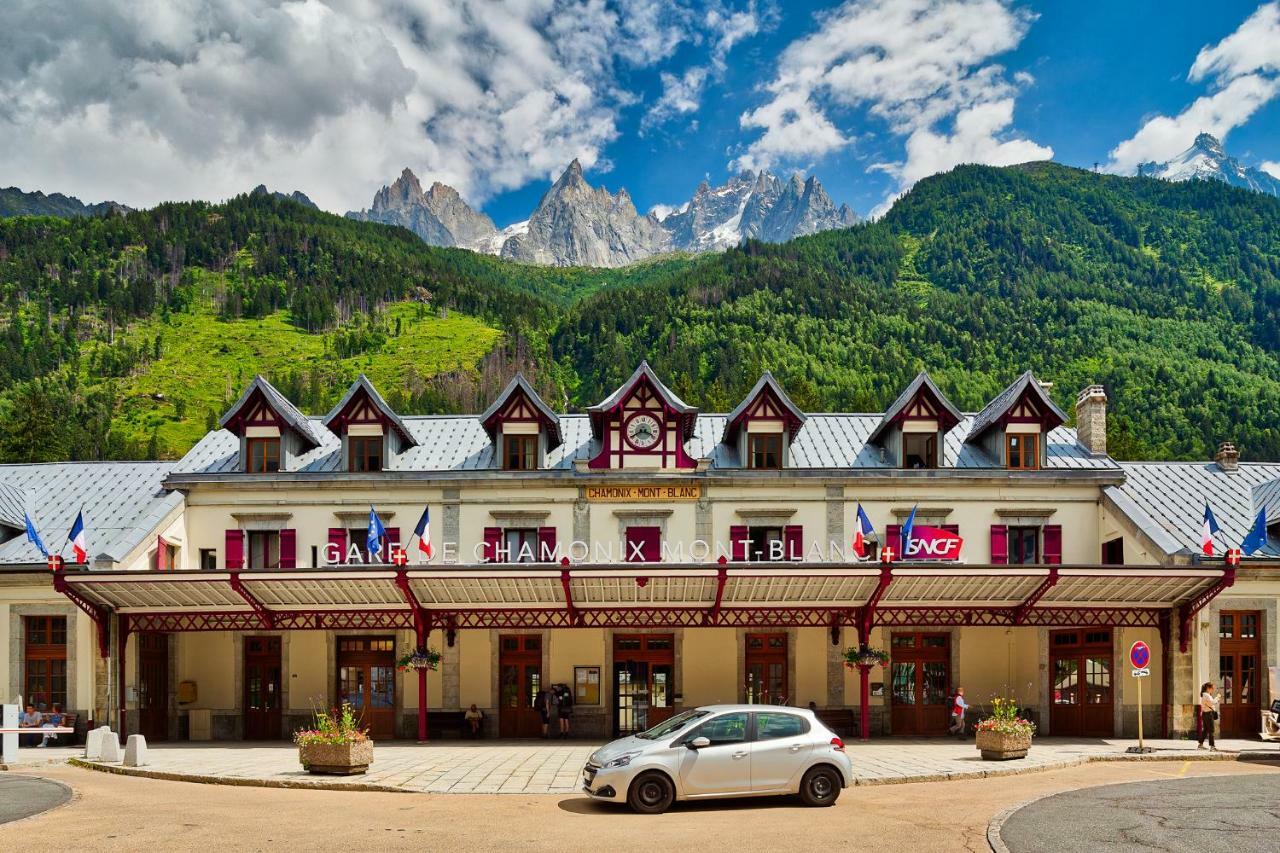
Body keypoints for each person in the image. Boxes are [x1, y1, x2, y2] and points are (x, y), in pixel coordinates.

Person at [1197, 681, 1219, 751]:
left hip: (1205, 714)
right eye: (1212, 688)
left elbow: (1210, 703)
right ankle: (1212, 746)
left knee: (1205, 730)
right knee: (1211, 730)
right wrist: (1217, 697)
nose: (1213, 689)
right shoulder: (1206, 695)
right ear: (1208, 688)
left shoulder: (1205, 695)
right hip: (1208, 714)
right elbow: (1212, 702)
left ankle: (1200, 744)